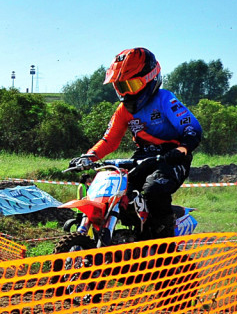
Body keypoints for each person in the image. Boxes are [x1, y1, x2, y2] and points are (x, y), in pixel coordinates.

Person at [69, 48, 202, 239]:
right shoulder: (123, 111)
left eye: (131, 85)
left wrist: (183, 148)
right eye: (121, 87)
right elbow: (109, 140)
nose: (126, 93)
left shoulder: (164, 99)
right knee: (117, 192)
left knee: (153, 190)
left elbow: (192, 128)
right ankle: (123, 238)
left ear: (150, 78)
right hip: (142, 157)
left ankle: (166, 242)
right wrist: (88, 156)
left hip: (172, 157)